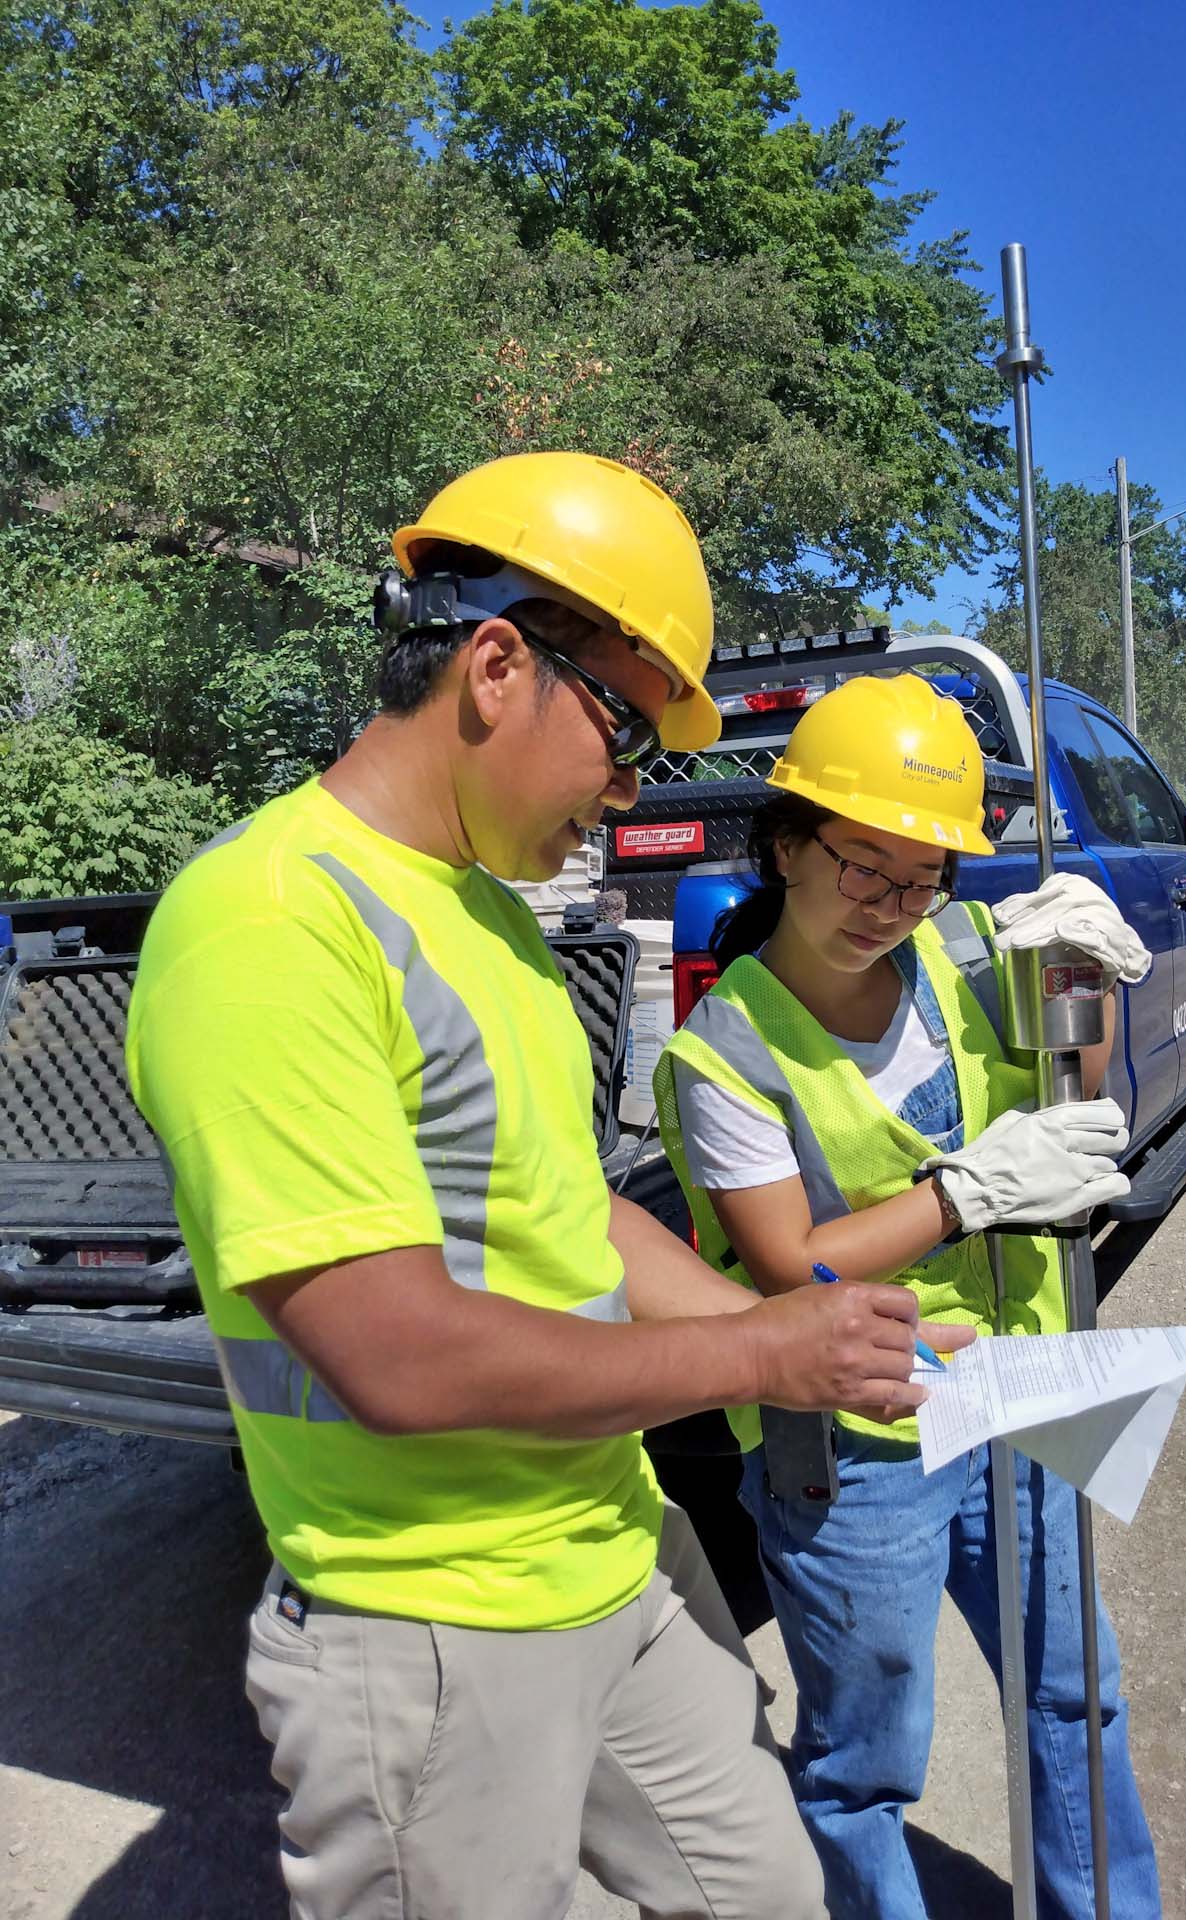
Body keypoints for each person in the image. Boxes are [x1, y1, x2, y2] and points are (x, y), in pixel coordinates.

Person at [125, 452, 972, 1920]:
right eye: (627, 732)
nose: (629, 790)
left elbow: (576, 1218)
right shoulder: (270, 925)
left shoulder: (499, 931)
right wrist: (760, 1349)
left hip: (613, 1557)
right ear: (499, 663)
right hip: (430, 1623)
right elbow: (394, 1352)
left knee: (771, 1895)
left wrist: (819, 1353)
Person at [653, 672, 1164, 1920]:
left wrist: (1084, 978)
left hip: (1024, 1386)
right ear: (785, 846)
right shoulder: (724, 1053)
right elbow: (790, 1265)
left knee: (1073, 1693)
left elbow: (1073, 1102)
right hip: (857, 1443)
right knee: (865, 1764)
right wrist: (963, 1194)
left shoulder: (966, 950)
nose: (892, 904)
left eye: (926, 872)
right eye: (863, 866)